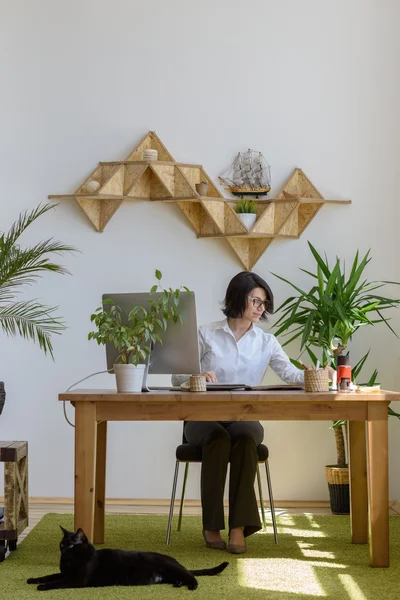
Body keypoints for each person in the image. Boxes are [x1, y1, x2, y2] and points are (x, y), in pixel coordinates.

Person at [173, 271, 307, 554]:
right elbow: (176, 377)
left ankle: (238, 527)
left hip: (244, 418)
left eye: (264, 303)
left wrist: (315, 375)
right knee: (217, 438)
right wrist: (194, 374)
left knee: (246, 438)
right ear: (238, 298)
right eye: (256, 301)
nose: (261, 308)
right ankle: (211, 525)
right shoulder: (206, 333)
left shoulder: (266, 342)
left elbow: (290, 374)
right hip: (202, 417)